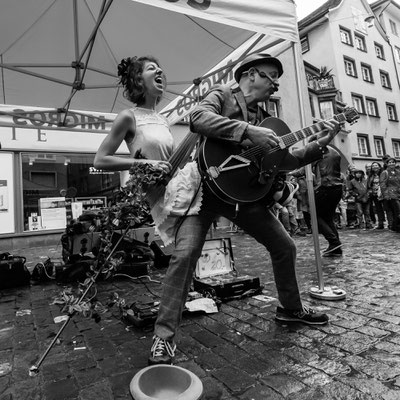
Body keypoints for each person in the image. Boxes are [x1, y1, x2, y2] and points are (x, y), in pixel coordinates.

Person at [149, 53, 341, 365]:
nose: (274, 83)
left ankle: (290, 310)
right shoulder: (223, 96)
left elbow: (285, 161)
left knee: (284, 246)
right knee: (184, 257)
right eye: (269, 76)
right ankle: (163, 338)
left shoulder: (266, 117)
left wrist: (319, 144)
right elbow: (198, 118)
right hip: (205, 193)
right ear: (250, 74)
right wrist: (247, 131)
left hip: (244, 198)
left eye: (276, 78)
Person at [312, 144, 344, 256]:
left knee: (315, 216)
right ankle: (336, 249)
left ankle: (334, 242)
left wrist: (289, 173)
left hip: (325, 186)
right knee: (328, 218)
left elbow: (303, 170)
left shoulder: (317, 152)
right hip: (337, 187)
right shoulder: (335, 152)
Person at [380, 157, 400, 232]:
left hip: (398, 193)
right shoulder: (385, 173)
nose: (392, 163)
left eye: (393, 162)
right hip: (391, 194)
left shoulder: (398, 172)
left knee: (396, 211)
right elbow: (383, 184)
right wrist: (386, 195)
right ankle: (397, 226)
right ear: (387, 164)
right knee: (397, 210)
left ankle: (395, 226)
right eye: (390, 162)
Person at [367, 161, 385, 229]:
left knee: (387, 208)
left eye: (376, 165)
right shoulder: (371, 175)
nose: (375, 167)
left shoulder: (383, 173)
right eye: (373, 166)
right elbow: (369, 184)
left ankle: (391, 223)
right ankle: (381, 224)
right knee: (378, 209)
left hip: (383, 193)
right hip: (374, 194)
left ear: (379, 166)